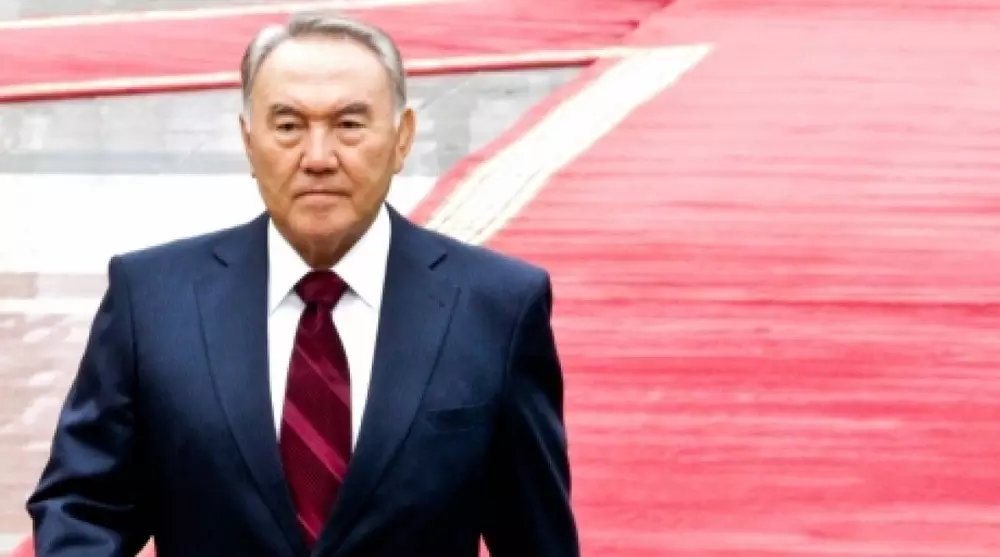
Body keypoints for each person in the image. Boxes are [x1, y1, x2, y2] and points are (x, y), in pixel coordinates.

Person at [26, 13, 579, 557]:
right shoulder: (152, 300)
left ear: (402, 137)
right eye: (289, 126)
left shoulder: (496, 308)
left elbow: (535, 537)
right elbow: (84, 506)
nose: (318, 158)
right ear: (249, 140)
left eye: (349, 125)